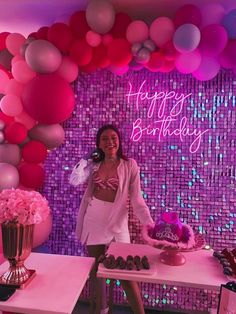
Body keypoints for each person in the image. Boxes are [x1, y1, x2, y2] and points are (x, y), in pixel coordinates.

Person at [69, 124, 154, 314]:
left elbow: (137, 199)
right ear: (98, 143)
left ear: (119, 141)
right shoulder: (93, 165)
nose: (110, 142)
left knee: (126, 275)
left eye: (113, 138)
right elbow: (74, 180)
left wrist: (150, 224)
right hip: (94, 218)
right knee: (96, 272)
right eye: (105, 139)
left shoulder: (129, 165)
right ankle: (101, 310)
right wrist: (84, 161)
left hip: (117, 222)